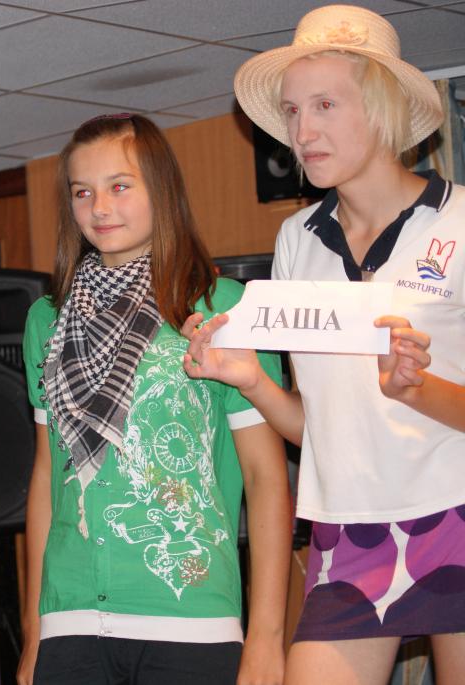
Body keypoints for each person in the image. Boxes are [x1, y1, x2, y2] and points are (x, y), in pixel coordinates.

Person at [184, 5, 465, 684]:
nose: (301, 132)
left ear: (382, 109)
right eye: (291, 111)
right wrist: (250, 379)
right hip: (346, 525)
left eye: (325, 105)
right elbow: (317, 427)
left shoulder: (460, 220)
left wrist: (415, 389)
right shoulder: (297, 239)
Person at [17, 114, 292, 685]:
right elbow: (46, 476)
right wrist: (33, 628)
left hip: (190, 611)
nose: (99, 207)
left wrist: (267, 637)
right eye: (82, 192)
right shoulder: (47, 320)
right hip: (68, 616)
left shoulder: (222, 306)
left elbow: (266, 478)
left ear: (161, 190)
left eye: (120, 186)